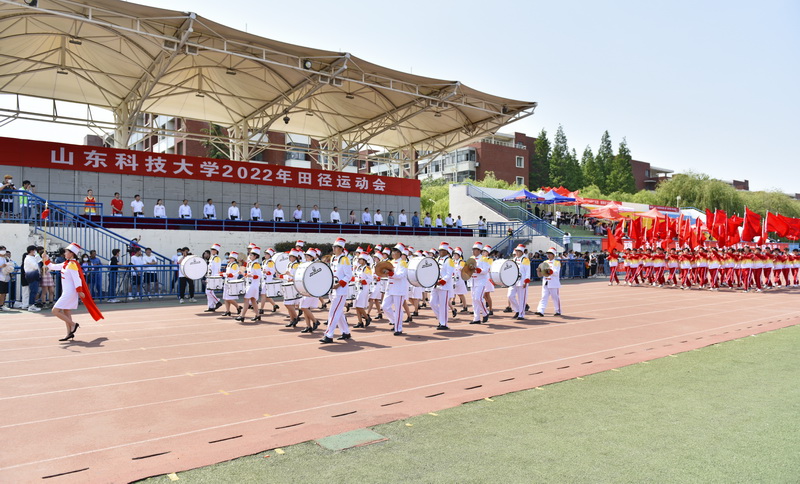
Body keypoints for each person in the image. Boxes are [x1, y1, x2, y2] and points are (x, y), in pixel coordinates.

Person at [43, 242, 103, 341]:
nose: (64, 253)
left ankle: (73, 324)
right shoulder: (66, 263)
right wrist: (46, 259)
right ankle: (69, 333)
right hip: (67, 291)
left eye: (66, 252)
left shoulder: (72, 264)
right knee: (66, 311)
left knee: (55, 311)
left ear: (71, 253)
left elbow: (77, 278)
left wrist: (79, 291)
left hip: (69, 292)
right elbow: (53, 267)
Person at [320, 237, 352, 343]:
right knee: (339, 312)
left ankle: (329, 335)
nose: (333, 248)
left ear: (341, 248)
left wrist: (339, 285)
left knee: (333, 312)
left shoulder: (345, 259)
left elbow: (348, 276)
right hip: (333, 289)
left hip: (341, 290)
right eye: (333, 246)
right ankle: (346, 332)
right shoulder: (333, 258)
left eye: (336, 247)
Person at [381, 243, 409, 336]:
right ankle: (394, 321)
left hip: (399, 289)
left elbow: (400, 275)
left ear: (399, 253)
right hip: (390, 288)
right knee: (385, 306)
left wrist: (390, 273)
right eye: (393, 251)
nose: (393, 253)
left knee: (398, 309)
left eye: (395, 251)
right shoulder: (391, 262)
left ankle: (398, 328)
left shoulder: (403, 263)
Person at [432, 242, 456, 330]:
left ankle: (444, 323)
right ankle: (441, 319)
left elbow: (449, 274)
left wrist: (441, 281)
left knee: (443, 305)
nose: (441, 252)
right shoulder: (437, 259)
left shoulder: (449, 260)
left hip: (444, 286)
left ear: (446, 251)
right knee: (432, 303)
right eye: (440, 250)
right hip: (435, 285)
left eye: (442, 250)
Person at [236, 247, 262, 322]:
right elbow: (249, 274)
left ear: (255, 256)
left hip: (253, 284)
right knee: (253, 300)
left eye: (251, 255)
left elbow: (259, 275)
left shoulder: (256, 264)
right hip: (250, 284)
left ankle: (242, 315)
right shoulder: (251, 263)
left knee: (246, 299)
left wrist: (252, 276)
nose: (250, 256)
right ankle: (257, 315)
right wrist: (242, 273)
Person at [534, 247, 562, 317]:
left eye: (550, 254)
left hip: (553, 283)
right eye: (548, 254)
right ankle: (540, 310)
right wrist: (539, 271)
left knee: (555, 298)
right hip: (546, 282)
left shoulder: (557, 262)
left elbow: (556, 273)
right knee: (543, 297)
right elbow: (541, 273)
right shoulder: (545, 262)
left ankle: (558, 310)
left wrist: (550, 271)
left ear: (553, 255)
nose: (548, 255)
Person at [469, 242, 491, 324]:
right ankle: (476, 318)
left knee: (478, 298)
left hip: (481, 281)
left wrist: (478, 270)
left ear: (479, 251)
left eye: (475, 249)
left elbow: (486, 270)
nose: (473, 251)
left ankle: (485, 313)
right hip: (472, 281)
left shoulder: (484, 259)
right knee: (474, 300)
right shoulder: (471, 258)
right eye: (473, 249)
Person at [510, 244, 531, 320]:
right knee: (510, 296)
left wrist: (526, 281)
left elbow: (528, 271)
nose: (517, 252)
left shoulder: (525, 259)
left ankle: (521, 314)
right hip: (514, 281)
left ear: (522, 252)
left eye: (519, 251)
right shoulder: (514, 259)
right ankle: (517, 310)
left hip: (522, 281)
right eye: (516, 251)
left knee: (521, 298)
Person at [222, 251, 242, 316]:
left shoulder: (235, 265)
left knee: (229, 298)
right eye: (229, 258)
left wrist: (231, 275)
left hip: (232, 282)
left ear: (234, 259)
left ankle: (238, 307)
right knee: (225, 298)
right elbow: (228, 273)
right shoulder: (229, 264)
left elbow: (236, 274)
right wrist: (223, 274)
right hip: (227, 281)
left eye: (231, 258)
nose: (230, 259)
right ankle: (227, 311)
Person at [204, 244, 223, 312]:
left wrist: (213, 278)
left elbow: (216, 269)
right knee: (209, 292)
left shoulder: (216, 258)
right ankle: (211, 306)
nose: (212, 251)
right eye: (211, 249)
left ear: (216, 251)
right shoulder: (212, 258)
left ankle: (217, 301)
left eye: (213, 250)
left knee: (208, 291)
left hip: (213, 277)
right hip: (210, 277)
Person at [23, 245, 42, 311]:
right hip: (32, 276)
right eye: (34, 250)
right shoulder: (29, 258)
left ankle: (32, 304)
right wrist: (39, 261)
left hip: (35, 275)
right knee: (33, 291)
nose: (35, 252)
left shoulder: (32, 258)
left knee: (35, 291)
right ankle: (31, 305)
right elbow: (35, 266)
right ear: (31, 251)